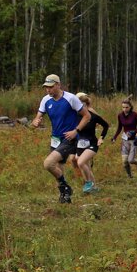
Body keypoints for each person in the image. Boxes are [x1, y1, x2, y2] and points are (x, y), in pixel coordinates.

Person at [29, 74, 91, 204]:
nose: (48, 90)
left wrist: (76, 131)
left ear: (58, 85)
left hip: (69, 138)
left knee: (48, 163)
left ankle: (66, 188)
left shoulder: (71, 98)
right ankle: (65, 195)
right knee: (58, 168)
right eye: (46, 87)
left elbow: (87, 116)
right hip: (55, 139)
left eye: (51, 87)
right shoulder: (45, 100)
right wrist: (35, 122)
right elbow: (37, 117)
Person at [73, 92, 109, 194]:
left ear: (86, 105)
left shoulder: (93, 116)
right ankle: (94, 187)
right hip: (81, 143)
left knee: (80, 162)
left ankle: (88, 182)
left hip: (92, 143)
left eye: (81, 105)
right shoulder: (76, 116)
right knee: (85, 165)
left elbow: (106, 125)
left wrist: (101, 138)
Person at [111, 98, 137, 178]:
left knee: (131, 160)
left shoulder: (135, 115)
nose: (125, 109)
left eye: (126, 107)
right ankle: (129, 175)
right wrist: (114, 137)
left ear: (130, 107)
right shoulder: (120, 115)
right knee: (124, 161)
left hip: (134, 140)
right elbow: (119, 127)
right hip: (125, 140)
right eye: (123, 107)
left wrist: (134, 132)